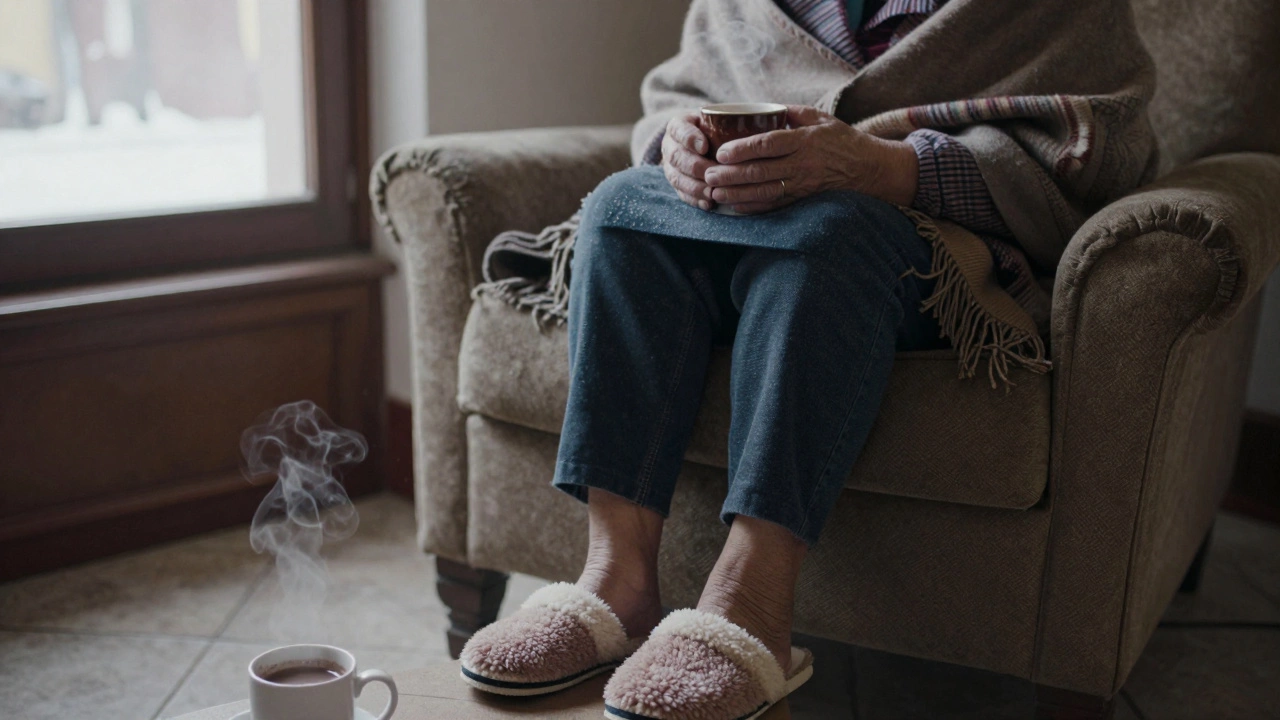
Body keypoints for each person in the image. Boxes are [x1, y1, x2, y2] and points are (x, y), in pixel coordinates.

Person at [459, 1, 1157, 718]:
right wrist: (681, 150)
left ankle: (749, 602)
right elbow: (678, 98)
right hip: (734, 221)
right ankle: (615, 581)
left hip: (917, 254)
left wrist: (887, 168)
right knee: (618, 207)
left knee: (825, 237)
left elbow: (1104, 152)